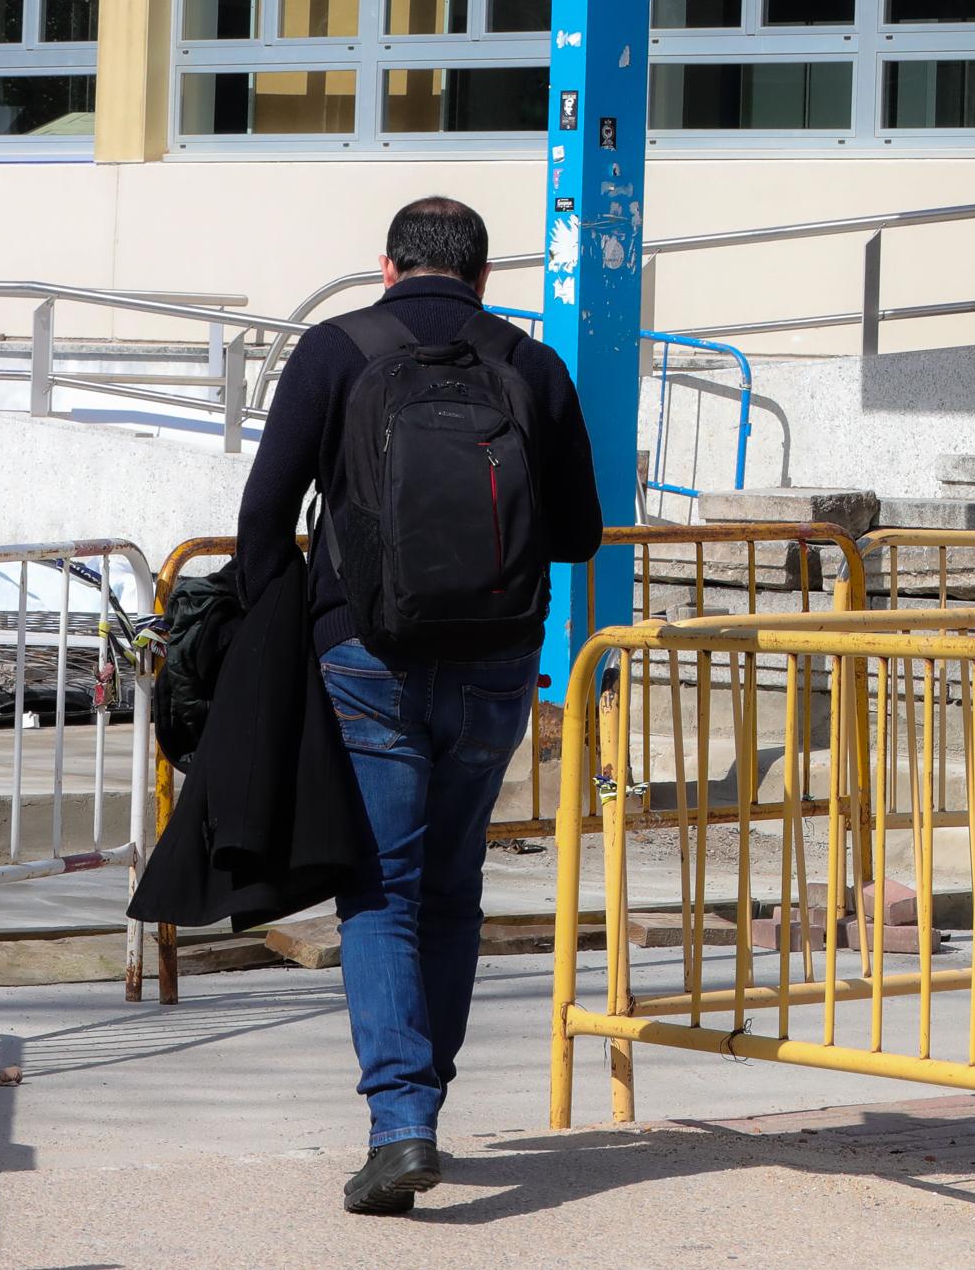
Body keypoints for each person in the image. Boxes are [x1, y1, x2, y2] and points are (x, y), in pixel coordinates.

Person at [233, 197, 603, 1215]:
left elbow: (265, 512)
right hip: (493, 665)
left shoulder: (335, 349)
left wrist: (274, 628)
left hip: (367, 656)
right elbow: (577, 532)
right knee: (450, 887)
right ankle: (420, 1105)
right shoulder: (527, 364)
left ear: (386, 267)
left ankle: (401, 1124)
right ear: (480, 277)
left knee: (382, 891)